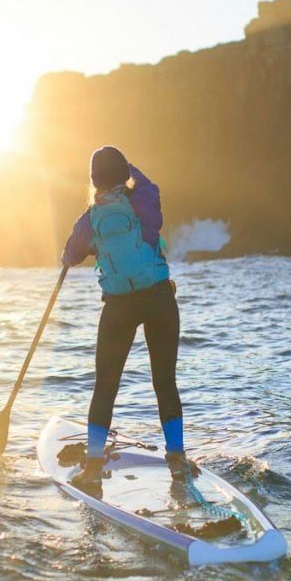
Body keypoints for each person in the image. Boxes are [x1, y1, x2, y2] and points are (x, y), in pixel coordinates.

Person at [60, 146, 197, 498]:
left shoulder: (88, 220)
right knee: (165, 383)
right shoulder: (144, 202)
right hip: (160, 300)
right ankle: (178, 459)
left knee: (105, 386)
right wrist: (127, 168)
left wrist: (75, 249)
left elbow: (71, 255)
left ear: (93, 180)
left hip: (119, 308)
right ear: (124, 174)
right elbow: (153, 187)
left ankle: (92, 468)